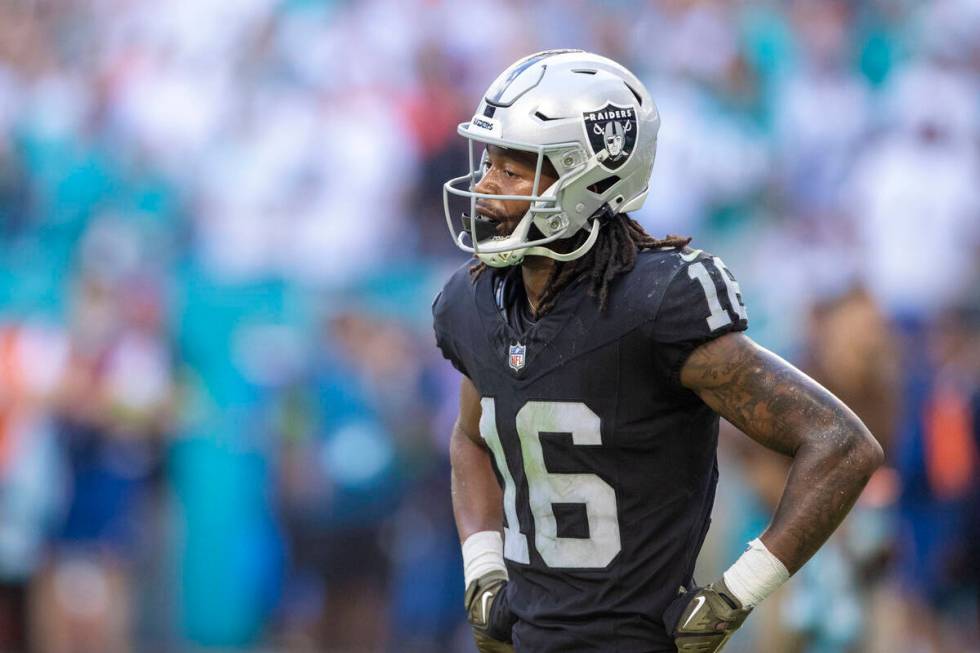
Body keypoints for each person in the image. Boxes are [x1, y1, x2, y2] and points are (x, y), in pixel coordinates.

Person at [433, 50, 882, 653]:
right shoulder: (475, 302)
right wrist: (484, 569)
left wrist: (735, 595)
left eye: (514, 171)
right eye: (488, 163)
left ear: (588, 179)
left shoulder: (653, 303)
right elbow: (470, 434)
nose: (486, 188)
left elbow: (840, 443)